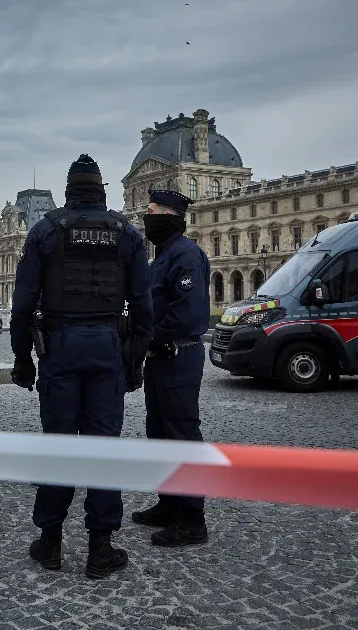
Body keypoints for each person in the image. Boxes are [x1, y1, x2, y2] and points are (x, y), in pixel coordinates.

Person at [10, 154, 153, 579]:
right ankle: (100, 548)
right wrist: (134, 362)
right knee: (103, 448)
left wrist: (22, 359)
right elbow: (144, 307)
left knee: (58, 445)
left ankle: (50, 542)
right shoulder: (126, 233)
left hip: (60, 347)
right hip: (108, 347)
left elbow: (22, 306)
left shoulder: (46, 230)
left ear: (69, 191)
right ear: (102, 191)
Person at [131, 189, 212, 547]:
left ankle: (192, 518)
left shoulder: (186, 255)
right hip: (161, 357)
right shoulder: (164, 255)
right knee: (160, 431)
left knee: (182, 434)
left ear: (167, 216)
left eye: (149, 212)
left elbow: (187, 314)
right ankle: (169, 502)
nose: (145, 218)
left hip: (179, 355)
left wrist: (150, 336)